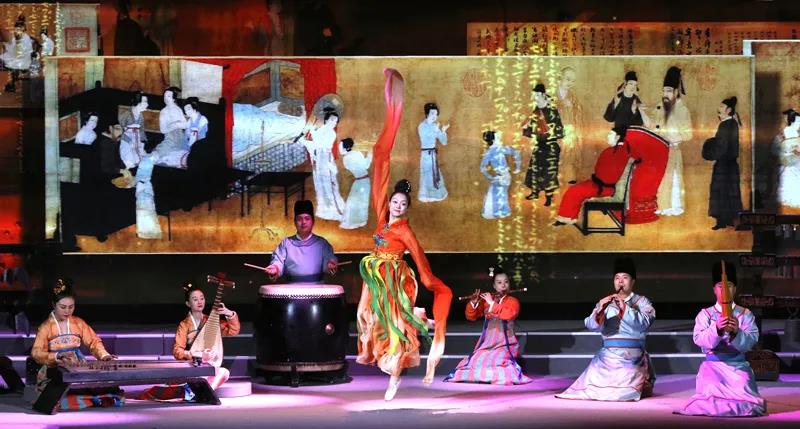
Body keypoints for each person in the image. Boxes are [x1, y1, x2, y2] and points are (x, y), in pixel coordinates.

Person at [356, 69, 453, 401]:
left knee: (396, 327)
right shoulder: (383, 217)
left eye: (401, 203)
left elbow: (421, 262)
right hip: (374, 277)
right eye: (394, 201)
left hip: (395, 281)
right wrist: (390, 118)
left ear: (407, 207)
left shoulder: (406, 231)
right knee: (368, 319)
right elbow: (380, 172)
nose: (396, 206)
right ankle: (389, 357)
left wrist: (431, 283)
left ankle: (395, 373)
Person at [556, 258, 656, 401]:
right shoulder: (606, 302)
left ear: (633, 281)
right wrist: (599, 311)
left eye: (625, 277)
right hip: (607, 356)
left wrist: (624, 307)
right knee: (589, 389)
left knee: (624, 392)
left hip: (631, 356)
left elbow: (645, 322)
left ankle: (640, 384)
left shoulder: (642, 301)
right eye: (617, 278)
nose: (620, 282)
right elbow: (591, 325)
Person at [676, 261, 766, 417]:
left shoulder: (745, 314)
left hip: (738, 368)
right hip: (713, 368)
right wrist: (716, 328)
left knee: (750, 404)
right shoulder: (705, 314)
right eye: (720, 286)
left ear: (735, 289)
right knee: (708, 399)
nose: (724, 290)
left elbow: (751, 341)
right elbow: (699, 339)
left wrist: (736, 332)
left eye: (729, 286)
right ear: (714, 289)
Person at [31, 280, 123, 410]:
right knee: (54, 397)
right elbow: (36, 352)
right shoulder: (45, 327)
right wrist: (56, 356)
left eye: (71, 307)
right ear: (53, 305)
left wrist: (104, 355)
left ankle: (89, 398)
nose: (67, 311)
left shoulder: (78, 323)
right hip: (55, 369)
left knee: (106, 388)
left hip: (78, 366)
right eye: (63, 307)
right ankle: (83, 400)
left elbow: (93, 341)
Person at [444, 268, 532, 385]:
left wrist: (492, 303)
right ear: (494, 286)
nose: (503, 285)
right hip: (486, 344)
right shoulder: (486, 301)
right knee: (475, 361)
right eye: (499, 282)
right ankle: (484, 376)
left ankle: (492, 376)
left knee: (498, 362)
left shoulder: (513, 301)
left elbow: (509, 315)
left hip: (505, 344)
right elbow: (471, 317)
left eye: (506, 282)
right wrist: (474, 303)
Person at [554, 127, 632, 226]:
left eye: (611, 134)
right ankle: (568, 217)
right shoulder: (620, 150)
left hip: (605, 188)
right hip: (603, 185)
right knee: (575, 189)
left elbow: (604, 173)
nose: (608, 137)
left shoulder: (614, 152)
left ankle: (567, 218)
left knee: (574, 191)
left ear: (618, 137)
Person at [646, 66, 693, 216]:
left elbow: (688, 134)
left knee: (672, 180)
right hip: (658, 150)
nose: (665, 94)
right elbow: (652, 126)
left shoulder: (682, 110)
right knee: (658, 179)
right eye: (663, 91)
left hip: (672, 149)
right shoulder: (660, 107)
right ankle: (660, 206)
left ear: (676, 92)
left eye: (668, 91)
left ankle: (672, 207)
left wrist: (672, 136)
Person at [264, 200, 338, 283]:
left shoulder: (322, 243)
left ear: (313, 221)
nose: (303, 222)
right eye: (299, 219)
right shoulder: (286, 243)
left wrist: (330, 265)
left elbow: (329, 259)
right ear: (294, 222)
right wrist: (275, 268)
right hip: (290, 288)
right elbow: (278, 261)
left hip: (318, 287)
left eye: (307, 218)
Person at [702, 97, 743, 230]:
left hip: (725, 165)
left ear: (729, 110)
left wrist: (710, 150)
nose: (718, 109)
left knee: (724, 192)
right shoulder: (729, 123)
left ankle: (727, 221)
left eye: (721, 107)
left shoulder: (728, 124)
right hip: (727, 164)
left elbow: (722, 146)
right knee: (725, 192)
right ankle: (724, 221)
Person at [299, 109, 346, 221]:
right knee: (319, 183)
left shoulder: (331, 133)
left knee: (329, 184)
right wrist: (308, 134)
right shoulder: (320, 129)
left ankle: (336, 210)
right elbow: (314, 142)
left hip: (325, 159)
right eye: (332, 120)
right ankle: (324, 209)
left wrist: (303, 140)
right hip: (318, 159)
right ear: (326, 120)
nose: (333, 123)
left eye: (335, 121)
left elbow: (316, 145)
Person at [523, 83, 564, 207]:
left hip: (550, 145)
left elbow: (558, 126)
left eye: (537, 95)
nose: (535, 97)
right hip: (540, 143)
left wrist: (549, 129)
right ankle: (534, 192)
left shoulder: (551, 108)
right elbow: (532, 124)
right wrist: (528, 124)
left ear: (542, 94)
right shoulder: (537, 108)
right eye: (534, 95)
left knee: (549, 172)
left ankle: (549, 196)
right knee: (534, 168)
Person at [480, 130, 521, 219]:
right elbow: (516, 153)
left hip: (502, 176)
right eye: (498, 138)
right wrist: (517, 167)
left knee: (498, 194)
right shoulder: (498, 150)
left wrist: (490, 177)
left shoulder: (491, 151)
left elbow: (482, 168)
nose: (499, 139)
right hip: (503, 176)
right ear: (494, 140)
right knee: (500, 194)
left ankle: (500, 211)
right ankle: (501, 211)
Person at [158, 96, 208, 168]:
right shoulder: (189, 121)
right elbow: (185, 138)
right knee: (170, 155)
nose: (187, 112)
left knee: (176, 160)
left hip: (199, 150)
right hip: (188, 149)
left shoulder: (203, 120)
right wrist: (183, 150)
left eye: (188, 109)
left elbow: (203, 139)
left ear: (194, 107)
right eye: (185, 110)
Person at [557, 66, 585, 184]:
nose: (570, 83)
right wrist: (561, 104)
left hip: (569, 128)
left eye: (573, 81)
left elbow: (578, 112)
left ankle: (569, 177)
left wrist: (573, 107)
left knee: (569, 152)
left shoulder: (573, 96)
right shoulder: (552, 94)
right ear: (560, 78)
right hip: (555, 129)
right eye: (568, 79)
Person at [417, 103, 450, 202]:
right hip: (426, 154)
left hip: (433, 154)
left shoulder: (435, 126)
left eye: (436, 114)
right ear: (427, 114)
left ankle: (436, 195)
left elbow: (444, 142)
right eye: (432, 114)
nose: (434, 116)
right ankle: (426, 196)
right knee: (427, 173)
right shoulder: (422, 126)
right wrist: (435, 130)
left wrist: (443, 131)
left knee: (435, 173)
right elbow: (426, 138)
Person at [339, 137, 372, 229]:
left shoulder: (346, 158)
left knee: (355, 201)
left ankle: (354, 221)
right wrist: (370, 154)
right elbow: (366, 165)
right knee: (360, 201)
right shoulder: (355, 154)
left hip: (360, 181)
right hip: (363, 181)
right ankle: (358, 221)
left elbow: (361, 166)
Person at [153, 86, 188, 167]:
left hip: (181, 138)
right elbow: (163, 130)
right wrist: (174, 125)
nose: (166, 98)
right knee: (158, 155)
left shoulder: (178, 109)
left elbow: (185, 125)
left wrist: (177, 124)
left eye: (168, 96)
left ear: (173, 99)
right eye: (165, 96)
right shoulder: (163, 111)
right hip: (170, 139)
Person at [772, 109, 800, 209]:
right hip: (788, 164)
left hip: (798, 163)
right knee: (787, 182)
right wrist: (785, 154)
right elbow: (774, 149)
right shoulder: (783, 134)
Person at [118, 91, 149, 169]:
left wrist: (142, 145)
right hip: (126, 142)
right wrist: (130, 141)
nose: (147, 104)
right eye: (145, 101)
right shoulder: (126, 114)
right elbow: (119, 131)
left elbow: (141, 130)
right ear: (138, 101)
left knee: (142, 161)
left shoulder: (140, 116)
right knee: (129, 162)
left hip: (136, 141)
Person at [2, 16, 33, 92]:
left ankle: (14, 84)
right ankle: (12, 83)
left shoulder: (25, 38)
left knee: (7, 61)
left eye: (18, 29)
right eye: (15, 29)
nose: (16, 30)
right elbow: (12, 50)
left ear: (23, 29)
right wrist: (7, 44)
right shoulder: (16, 37)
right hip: (16, 57)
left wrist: (12, 45)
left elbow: (19, 53)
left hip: (22, 60)